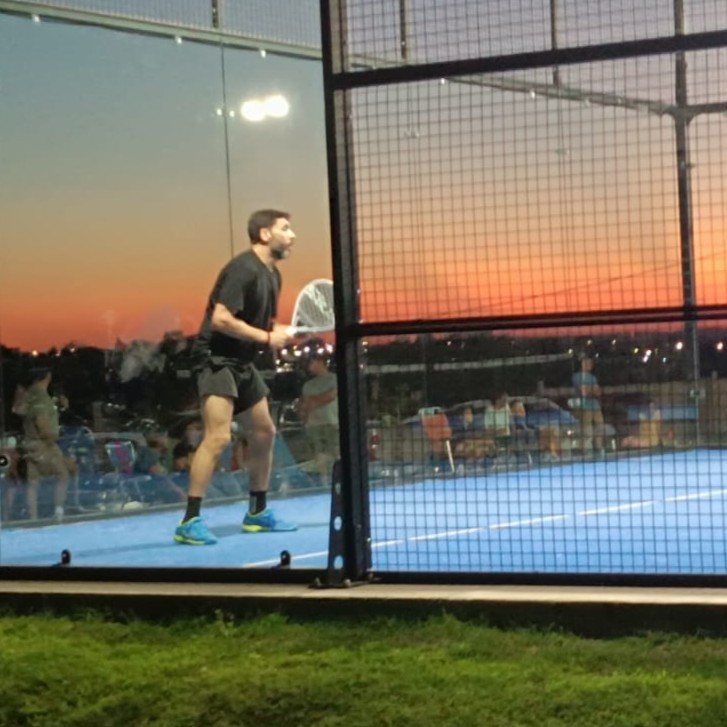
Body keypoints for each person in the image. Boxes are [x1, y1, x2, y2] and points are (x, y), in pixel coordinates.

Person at [174, 209, 297, 545]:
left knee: (264, 431)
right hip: (215, 359)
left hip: (242, 362)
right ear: (265, 234)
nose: (293, 235)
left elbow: (259, 325)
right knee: (218, 437)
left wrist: (279, 332)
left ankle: (257, 513)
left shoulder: (273, 275)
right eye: (285, 228)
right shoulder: (243, 268)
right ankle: (189, 521)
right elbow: (222, 319)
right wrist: (267, 338)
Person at [18, 367, 69, 521]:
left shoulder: (28, 395)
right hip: (44, 444)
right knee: (62, 475)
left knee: (33, 482)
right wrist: (51, 438)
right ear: (47, 377)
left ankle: (33, 516)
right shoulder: (42, 397)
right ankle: (58, 511)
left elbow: (19, 411)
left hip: (29, 442)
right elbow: (42, 422)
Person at [299, 352, 339, 485]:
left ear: (320, 362)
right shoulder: (308, 385)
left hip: (332, 422)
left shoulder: (334, 379)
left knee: (335, 454)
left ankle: (337, 481)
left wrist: (314, 400)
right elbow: (307, 404)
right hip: (314, 425)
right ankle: (324, 482)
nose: (309, 366)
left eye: (312, 362)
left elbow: (331, 396)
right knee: (319, 456)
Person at [570, 355, 605, 456]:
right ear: (582, 364)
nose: (591, 364)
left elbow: (598, 392)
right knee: (587, 430)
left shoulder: (593, 377)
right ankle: (587, 451)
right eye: (588, 362)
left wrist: (590, 389)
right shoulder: (577, 376)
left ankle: (599, 448)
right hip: (584, 407)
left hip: (595, 406)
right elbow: (583, 392)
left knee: (599, 427)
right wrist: (592, 390)